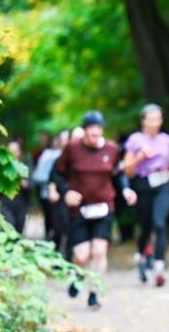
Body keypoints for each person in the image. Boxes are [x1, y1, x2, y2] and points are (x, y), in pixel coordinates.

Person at [49, 111, 137, 310]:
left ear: (102, 131)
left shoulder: (112, 149)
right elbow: (57, 174)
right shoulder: (72, 149)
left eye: (98, 131)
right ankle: (78, 274)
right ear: (85, 132)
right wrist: (66, 192)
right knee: (81, 255)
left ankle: (94, 293)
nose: (94, 135)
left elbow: (118, 174)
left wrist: (126, 189)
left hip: (104, 207)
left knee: (98, 251)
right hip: (79, 209)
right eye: (90, 131)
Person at [123, 104, 169, 286]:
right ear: (143, 121)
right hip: (143, 184)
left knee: (159, 223)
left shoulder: (167, 140)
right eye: (151, 119)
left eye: (158, 119)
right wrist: (140, 156)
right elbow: (128, 170)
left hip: (163, 184)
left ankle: (159, 265)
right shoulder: (135, 139)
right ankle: (141, 255)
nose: (155, 123)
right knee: (146, 227)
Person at [32, 129, 69, 248]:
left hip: (69, 197)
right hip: (53, 196)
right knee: (55, 224)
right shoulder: (52, 156)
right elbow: (42, 176)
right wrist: (51, 189)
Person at [0, 139, 31, 234]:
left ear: (19, 152)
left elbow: (30, 185)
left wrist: (18, 177)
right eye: (10, 150)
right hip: (5, 202)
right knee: (9, 226)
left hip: (21, 203)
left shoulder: (25, 166)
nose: (12, 153)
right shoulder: (0, 166)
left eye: (14, 150)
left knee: (19, 229)